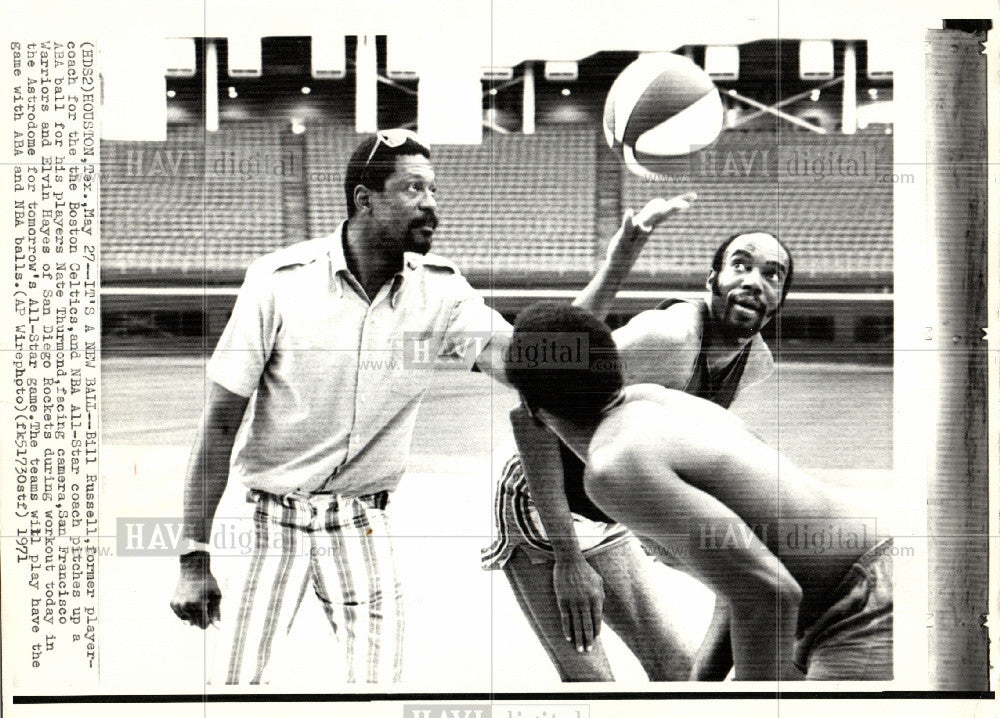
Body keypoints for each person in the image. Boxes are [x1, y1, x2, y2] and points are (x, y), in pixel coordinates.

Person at [168, 128, 691, 684]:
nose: (431, 204)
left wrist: (619, 261)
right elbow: (221, 423)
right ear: (364, 200)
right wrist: (193, 557)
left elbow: (541, 358)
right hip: (276, 517)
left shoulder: (440, 291)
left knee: (381, 699)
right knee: (235, 694)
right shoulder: (278, 283)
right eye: (414, 189)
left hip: (362, 520)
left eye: (434, 190)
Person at [504, 303, 893, 681]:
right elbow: (743, 575)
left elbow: (768, 593)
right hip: (866, 583)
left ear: (533, 407)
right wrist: (701, 685)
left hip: (860, 606)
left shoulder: (614, 467)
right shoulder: (658, 401)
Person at [482, 228, 793, 681]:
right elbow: (530, 411)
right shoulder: (668, 337)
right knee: (593, 686)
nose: (754, 280)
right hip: (541, 501)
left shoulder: (756, 363)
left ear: (780, 299)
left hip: (608, 504)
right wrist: (569, 560)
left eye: (772, 274)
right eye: (740, 265)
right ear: (712, 280)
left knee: (677, 668)